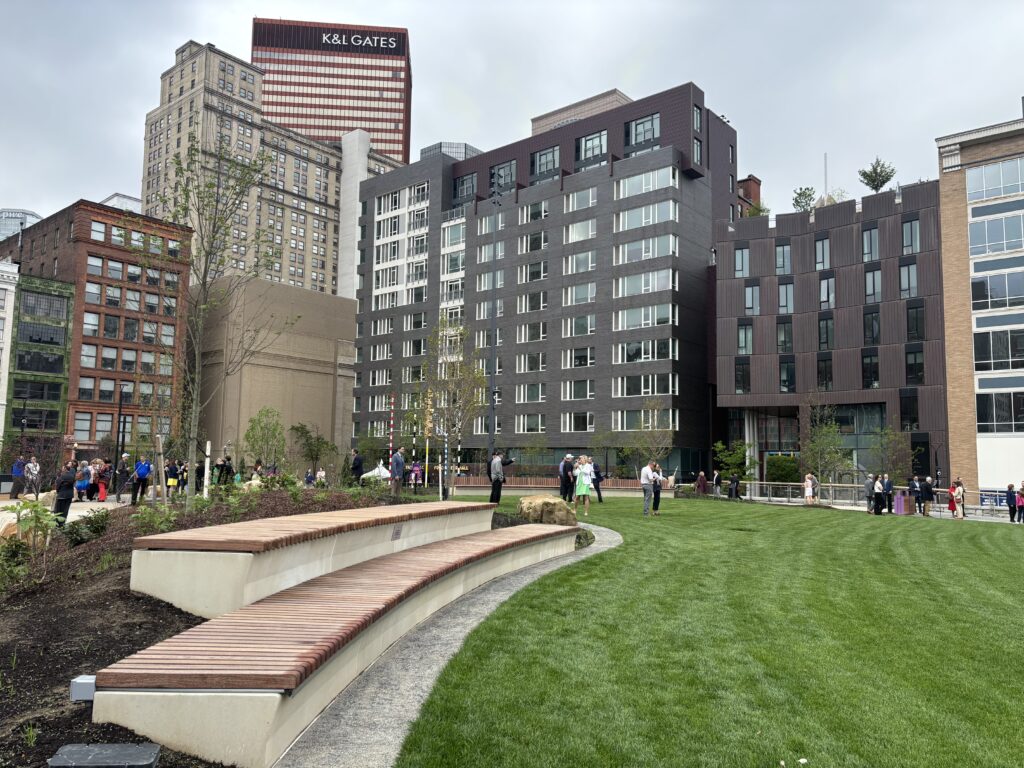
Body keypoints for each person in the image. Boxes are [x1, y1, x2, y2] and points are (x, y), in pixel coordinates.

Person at [54, 461, 77, 527]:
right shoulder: (72, 476)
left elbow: (58, 487)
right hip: (69, 495)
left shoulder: (61, 477)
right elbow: (73, 483)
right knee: (65, 509)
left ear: (64, 469)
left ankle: (57, 523)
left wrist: (58, 491)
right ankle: (63, 522)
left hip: (61, 495)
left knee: (58, 510)